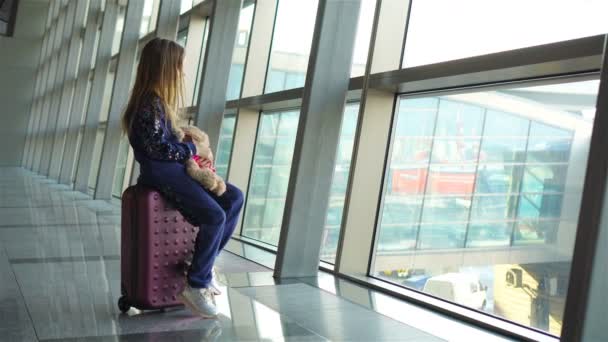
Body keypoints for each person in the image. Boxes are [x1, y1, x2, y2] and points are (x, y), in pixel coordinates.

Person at [121, 38, 244, 318]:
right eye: (179, 66)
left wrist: (187, 145)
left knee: (234, 198)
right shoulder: (147, 104)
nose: (182, 73)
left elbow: (164, 144)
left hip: (173, 169)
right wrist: (193, 148)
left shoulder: (156, 104)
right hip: (161, 173)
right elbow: (157, 149)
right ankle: (196, 283)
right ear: (165, 67)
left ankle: (199, 263)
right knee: (214, 216)